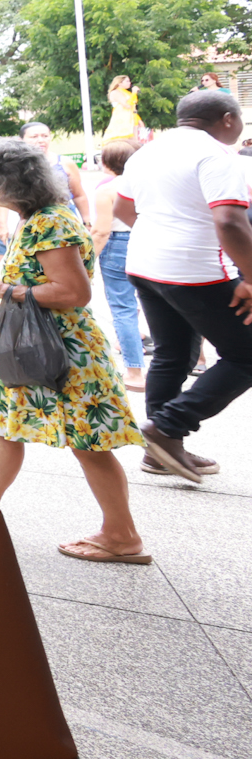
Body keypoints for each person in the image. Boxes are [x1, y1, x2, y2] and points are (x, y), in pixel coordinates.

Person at [0, 140, 148, 562]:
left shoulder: (48, 222)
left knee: (88, 440)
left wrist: (1, 289)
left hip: (61, 348)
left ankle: (122, 535)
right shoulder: (37, 217)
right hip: (33, 343)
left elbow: (73, 292)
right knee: (5, 421)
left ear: (9, 182)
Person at [114, 88, 251, 483]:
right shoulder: (218, 155)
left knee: (173, 354)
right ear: (227, 119)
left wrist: (162, 239)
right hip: (197, 270)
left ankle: (159, 452)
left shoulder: (147, 152)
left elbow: (123, 208)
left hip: (145, 265)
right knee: (246, 355)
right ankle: (167, 427)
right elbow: (229, 222)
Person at [90, 139, 147, 390]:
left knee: (123, 308)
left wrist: (86, 261)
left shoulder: (107, 190)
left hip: (118, 243)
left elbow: (101, 232)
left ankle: (134, 371)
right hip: (150, 240)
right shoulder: (149, 183)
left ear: (105, 163)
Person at [20, 122, 90, 227]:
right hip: (32, 220)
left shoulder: (65, 163)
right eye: (34, 137)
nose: (40, 140)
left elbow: (79, 195)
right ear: (21, 140)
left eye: (45, 136)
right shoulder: (17, 165)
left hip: (64, 220)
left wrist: (87, 222)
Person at [103, 74, 144, 142]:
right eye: (127, 81)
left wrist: (138, 119)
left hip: (132, 119)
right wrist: (134, 93)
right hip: (122, 120)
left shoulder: (127, 93)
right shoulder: (115, 92)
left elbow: (133, 108)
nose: (130, 83)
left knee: (134, 141)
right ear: (119, 83)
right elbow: (127, 105)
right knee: (123, 141)